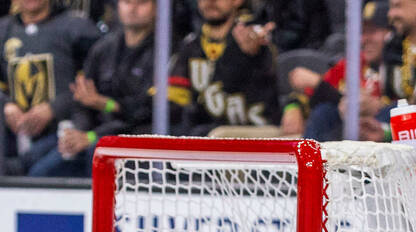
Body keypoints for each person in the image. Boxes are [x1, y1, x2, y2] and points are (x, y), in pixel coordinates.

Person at [27, 0, 156, 177]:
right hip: (93, 134)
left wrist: (108, 108)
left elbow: (151, 111)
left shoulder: (164, 50)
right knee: (32, 157)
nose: (133, 8)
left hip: (132, 138)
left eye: (141, 3)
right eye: (127, 2)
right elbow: (81, 100)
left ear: (156, 8)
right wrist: (78, 132)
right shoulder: (103, 48)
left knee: (94, 154)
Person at [0, 0, 101, 175]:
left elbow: (95, 87)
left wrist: (54, 108)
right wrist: (5, 106)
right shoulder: (2, 31)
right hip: (16, 135)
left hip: (68, 132)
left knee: (38, 173)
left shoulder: (77, 28)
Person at [168, 0, 281, 135]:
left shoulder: (258, 36)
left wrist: (248, 55)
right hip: (209, 131)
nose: (210, 2)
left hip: (260, 132)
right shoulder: (190, 45)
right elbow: (173, 105)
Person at [281, 1, 389, 141]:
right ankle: (312, 162)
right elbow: (308, 96)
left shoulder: (403, 62)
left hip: (388, 144)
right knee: (324, 112)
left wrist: (379, 105)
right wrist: (292, 108)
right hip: (345, 143)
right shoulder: (354, 63)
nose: (364, 40)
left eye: (372, 31)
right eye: (362, 32)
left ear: (391, 33)